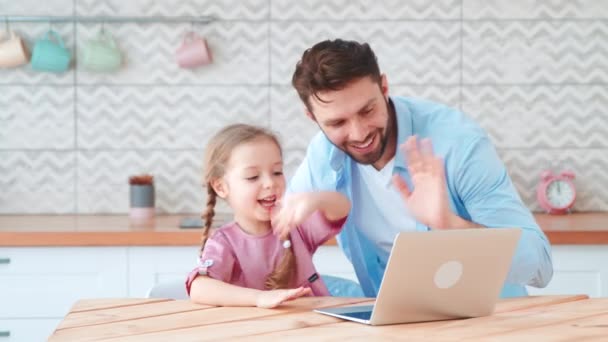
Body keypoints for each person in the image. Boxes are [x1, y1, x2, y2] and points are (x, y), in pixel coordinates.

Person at [288, 39, 553, 298]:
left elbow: (539, 265)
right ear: (313, 117)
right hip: (398, 325)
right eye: (337, 123)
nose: (358, 133)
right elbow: (274, 248)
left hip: (491, 321)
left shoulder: (457, 142)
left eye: (367, 110)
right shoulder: (324, 154)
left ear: (384, 87)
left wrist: (450, 226)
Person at [186, 124, 351, 308]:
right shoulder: (224, 242)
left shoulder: (294, 224)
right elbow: (199, 288)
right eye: (253, 176)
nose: (270, 183)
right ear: (221, 187)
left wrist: (316, 199)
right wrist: (259, 298)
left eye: (277, 172)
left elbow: (342, 208)